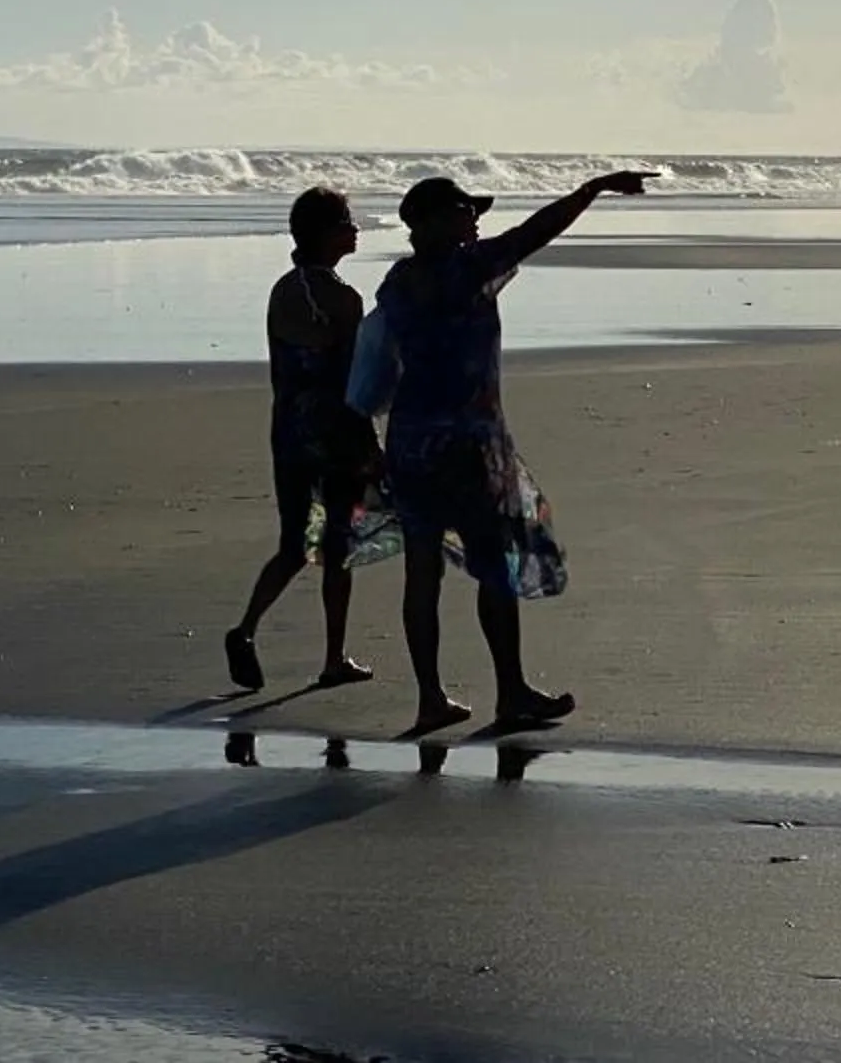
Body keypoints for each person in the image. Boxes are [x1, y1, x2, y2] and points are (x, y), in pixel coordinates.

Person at [373, 169, 652, 731]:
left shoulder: (396, 282)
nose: (475, 219)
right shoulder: (468, 268)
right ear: (433, 219)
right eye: (464, 210)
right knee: (495, 568)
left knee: (422, 573)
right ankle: (510, 692)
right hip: (470, 445)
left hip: (411, 441)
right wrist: (591, 189)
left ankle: (431, 698)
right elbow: (537, 230)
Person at [223, 186, 382, 695]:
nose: (354, 228)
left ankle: (246, 628)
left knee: (293, 545)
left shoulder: (283, 290)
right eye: (345, 221)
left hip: (290, 430)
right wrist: (371, 445)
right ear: (324, 233)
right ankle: (334, 658)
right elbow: (352, 379)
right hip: (336, 435)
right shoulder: (342, 298)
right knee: (339, 548)